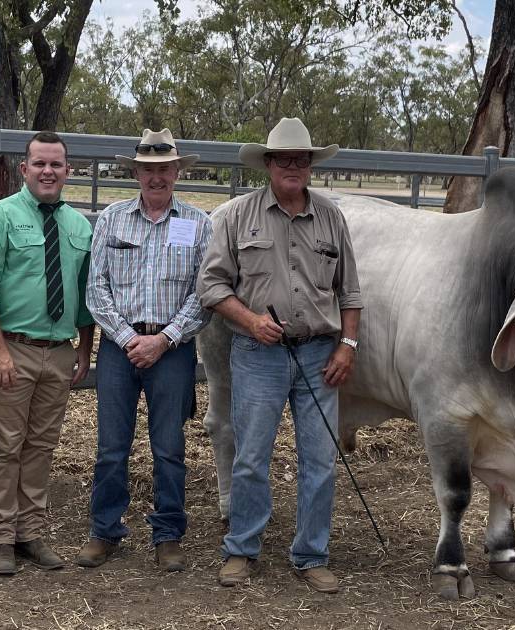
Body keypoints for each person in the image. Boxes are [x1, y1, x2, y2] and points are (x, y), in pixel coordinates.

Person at [197, 117, 363, 594]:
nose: (294, 166)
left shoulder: (331, 217)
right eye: (285, 159)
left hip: (318, 355)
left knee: (320, 459)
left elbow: (349, 292)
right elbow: (211, 286)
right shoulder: (235, 216)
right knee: (251, 457)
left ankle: (311, 554)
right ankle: (241, 549)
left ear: (310, 165)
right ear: (268, 165)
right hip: (256, 353)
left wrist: (347, 346)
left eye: (302, 159)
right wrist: (250, 321)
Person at [76, 129, 211, 572]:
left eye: (165, 169)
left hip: (171, 350)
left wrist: (165, 338)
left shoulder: (198, 223)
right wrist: (129, 339)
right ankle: (105, 530)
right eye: (148, 170)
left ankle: (168, 533)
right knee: (112, 445)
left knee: (169, 446)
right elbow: (96, 289)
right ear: (135, 172)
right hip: (121, 347)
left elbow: (204, 292)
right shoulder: (113, 219)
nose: (157, 177)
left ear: (177, 171)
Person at [0, 131, 95, 575]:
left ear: (67, 170)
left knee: (41, 445)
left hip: (58, 352)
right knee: (5, 446)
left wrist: (85, 348)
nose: (48, 171)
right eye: (39, 163)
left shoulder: (79, 226)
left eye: (56, 164)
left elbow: (84, 294)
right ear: (24, 169)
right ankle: (0, 536)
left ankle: (31, 533)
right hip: (13, 349)